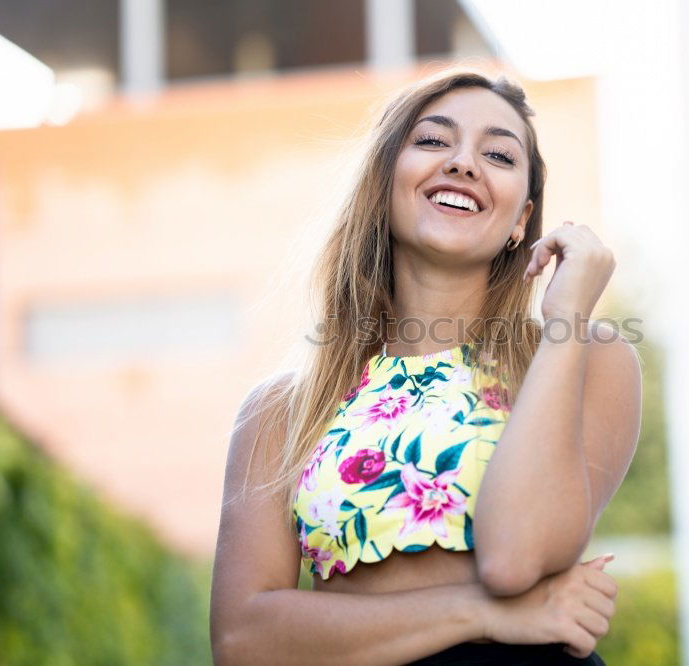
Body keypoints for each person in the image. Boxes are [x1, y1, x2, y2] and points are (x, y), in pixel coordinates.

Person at [209, 68, 642, 666]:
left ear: (522, 219)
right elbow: (243, 641)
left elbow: (515, 558)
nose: (464, 163)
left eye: (498, 154)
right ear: (385, 183)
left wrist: (565, 314)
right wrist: (487, 613)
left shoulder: (587, 356)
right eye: (434, 141)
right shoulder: (283, 410)